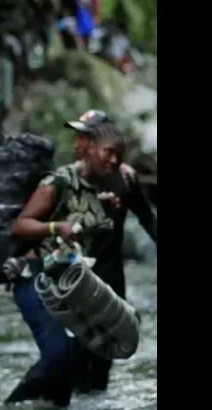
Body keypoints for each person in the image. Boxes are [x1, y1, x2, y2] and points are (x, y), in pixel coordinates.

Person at [5, 120, 156, 407]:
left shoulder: (115, 185)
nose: (114, 160)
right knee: (59, 355)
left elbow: (139, 219)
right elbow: (19, 226)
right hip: (38, 276)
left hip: (76, 283)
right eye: (108, 152)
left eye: (119, 155)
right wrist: (54, 228)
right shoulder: (58, 182)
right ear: (88, 149)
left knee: (80, 363)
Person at [62, 111, 157, 393]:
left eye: (86, 136)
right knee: (75, 349)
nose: (78, 142)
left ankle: (94, 409)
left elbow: (147, 219)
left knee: (105, 351)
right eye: (79, 136)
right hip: (74, 277)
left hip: (111, 276)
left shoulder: (125, 179)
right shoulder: (67, 179)